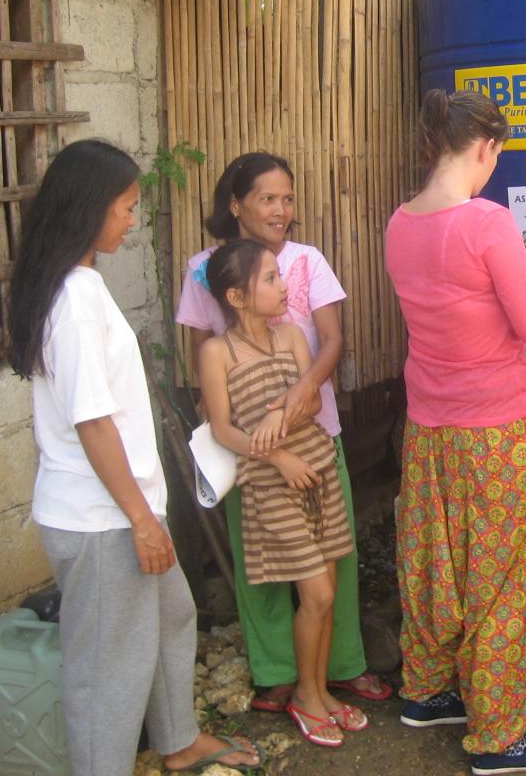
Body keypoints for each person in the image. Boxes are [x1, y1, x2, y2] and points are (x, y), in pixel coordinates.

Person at [6, 139, 260, 775]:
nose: (131, 219)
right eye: (124, 207)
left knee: (173, 614)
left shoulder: (79, 286)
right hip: (102, 521)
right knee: (107, 672)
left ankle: (176, 742)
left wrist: (145, 513)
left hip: (123, 510)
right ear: (89, 209)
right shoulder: (72, 301)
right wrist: (142, 521)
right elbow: (93, 425)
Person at [385, 88, 526, 776]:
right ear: (487, 147)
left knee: (437, 564)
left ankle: (427, 690)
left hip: (429, 428)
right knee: (503, 581)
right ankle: (499, 738)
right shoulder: (489, 222)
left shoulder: (399, 224)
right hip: (500, 431)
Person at [175, 152, 391, 711]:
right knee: (263, 559)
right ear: (235, 204)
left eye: (288, 198)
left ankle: (340, 666)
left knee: (331, 555)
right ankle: (278, 673)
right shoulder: (205, 268)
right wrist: (229, 427)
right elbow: (200, 348)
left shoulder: (306, 260)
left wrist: (299, 399)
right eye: (267, 198)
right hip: (251, 446)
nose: (280, 209)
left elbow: (332, 340)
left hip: (314, 433)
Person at [198, 238, 364, 747]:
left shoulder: (292, 335)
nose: (283, 285)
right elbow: (221, 428)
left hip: (318, 470)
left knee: (328, 591)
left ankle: (318, 692)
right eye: (269, 279)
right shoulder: (215, 352)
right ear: (237, 297)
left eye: (279, 275)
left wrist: (281, 411)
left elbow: (312, 403)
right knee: (315, 592)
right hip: (270, 484)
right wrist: (275, 455)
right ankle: (305, 699)